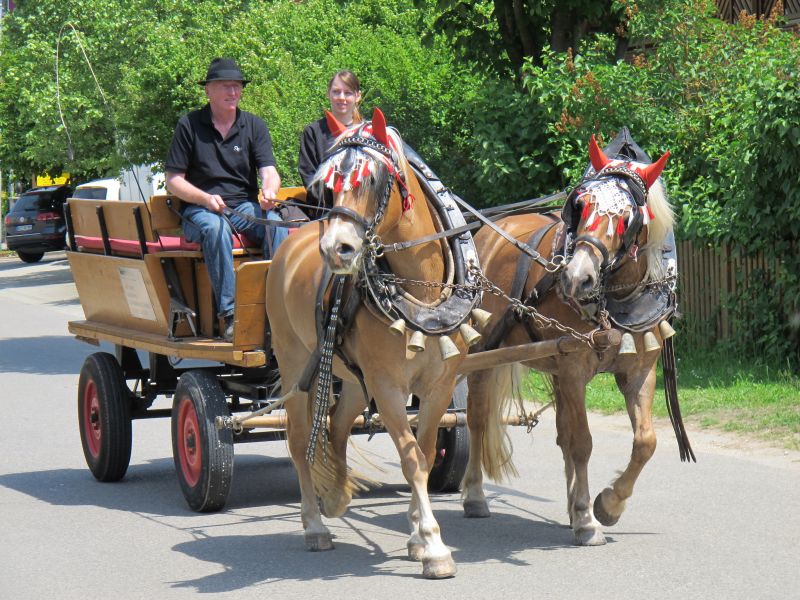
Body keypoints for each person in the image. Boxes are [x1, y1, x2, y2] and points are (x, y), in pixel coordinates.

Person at [165, 57, 287, 342]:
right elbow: (174, 181)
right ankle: (231, 315)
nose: (233, 92)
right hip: (200, 211)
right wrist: (205, 198)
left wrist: (270, 190)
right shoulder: (189, 125)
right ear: (208, 90)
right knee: (216, 228)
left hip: (242, 207)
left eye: (237, 86)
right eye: (225, 86)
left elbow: (269, 171)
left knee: (275, 224)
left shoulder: (254, 125)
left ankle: (278, 305)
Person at [298, 70, 363, 214]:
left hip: (362, 214)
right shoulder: (313, 132)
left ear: (358, 96)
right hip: (324, 212)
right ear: (328, 94)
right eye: (336, 92)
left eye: (348, 93)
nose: (341, 97)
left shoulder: (367, 133)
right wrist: (337, 205)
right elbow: (309, 177)